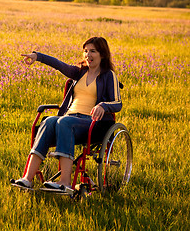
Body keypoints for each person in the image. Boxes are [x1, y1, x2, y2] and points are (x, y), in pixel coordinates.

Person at [12, 37, 122, 191]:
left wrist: (103, 105)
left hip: (93, 123)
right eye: (85, 51)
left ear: (102, 54)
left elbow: (117, 103)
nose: (87, 55)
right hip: (70, 118)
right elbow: (59, 65)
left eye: (92, 51)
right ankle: (27, 178)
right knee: (49, 121)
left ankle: (64, 183)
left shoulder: (108, 75)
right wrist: (38, 57)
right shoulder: (80, 72)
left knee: (63, 122)